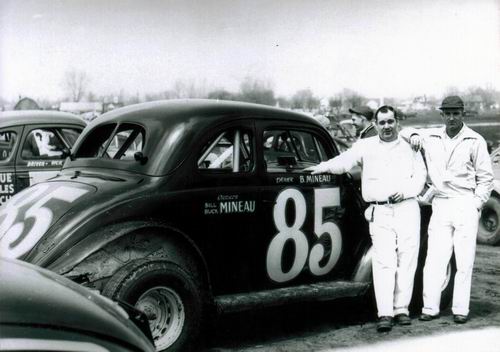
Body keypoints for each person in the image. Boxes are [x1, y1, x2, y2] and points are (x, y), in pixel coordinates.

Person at [305, 105, 427, 332]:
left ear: (397, 122)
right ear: (376, 124)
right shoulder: (365, 146)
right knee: (383, 262)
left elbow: (420, 176)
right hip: (380, 211)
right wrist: (321, 167)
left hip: (407, 208)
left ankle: (401, 309)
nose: (387, 126)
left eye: (390, 122)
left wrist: (407, 191)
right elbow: (343, 162)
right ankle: (384, 314)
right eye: (382, 123)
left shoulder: (410, 146)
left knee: (407, 260)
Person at [404, 95, 493, 324]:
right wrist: (413, 134)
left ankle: (460, 309)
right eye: (448, 113)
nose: (452, 117)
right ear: (441, 115)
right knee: (435, 258)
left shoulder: (475, 140)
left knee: (464, 260)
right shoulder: (432, 136)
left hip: (465, 201)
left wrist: (476, 204)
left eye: (456, 113)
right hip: (441, 203)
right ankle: (430, 307)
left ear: (463, 114)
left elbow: (486, 179)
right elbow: (405, 132)